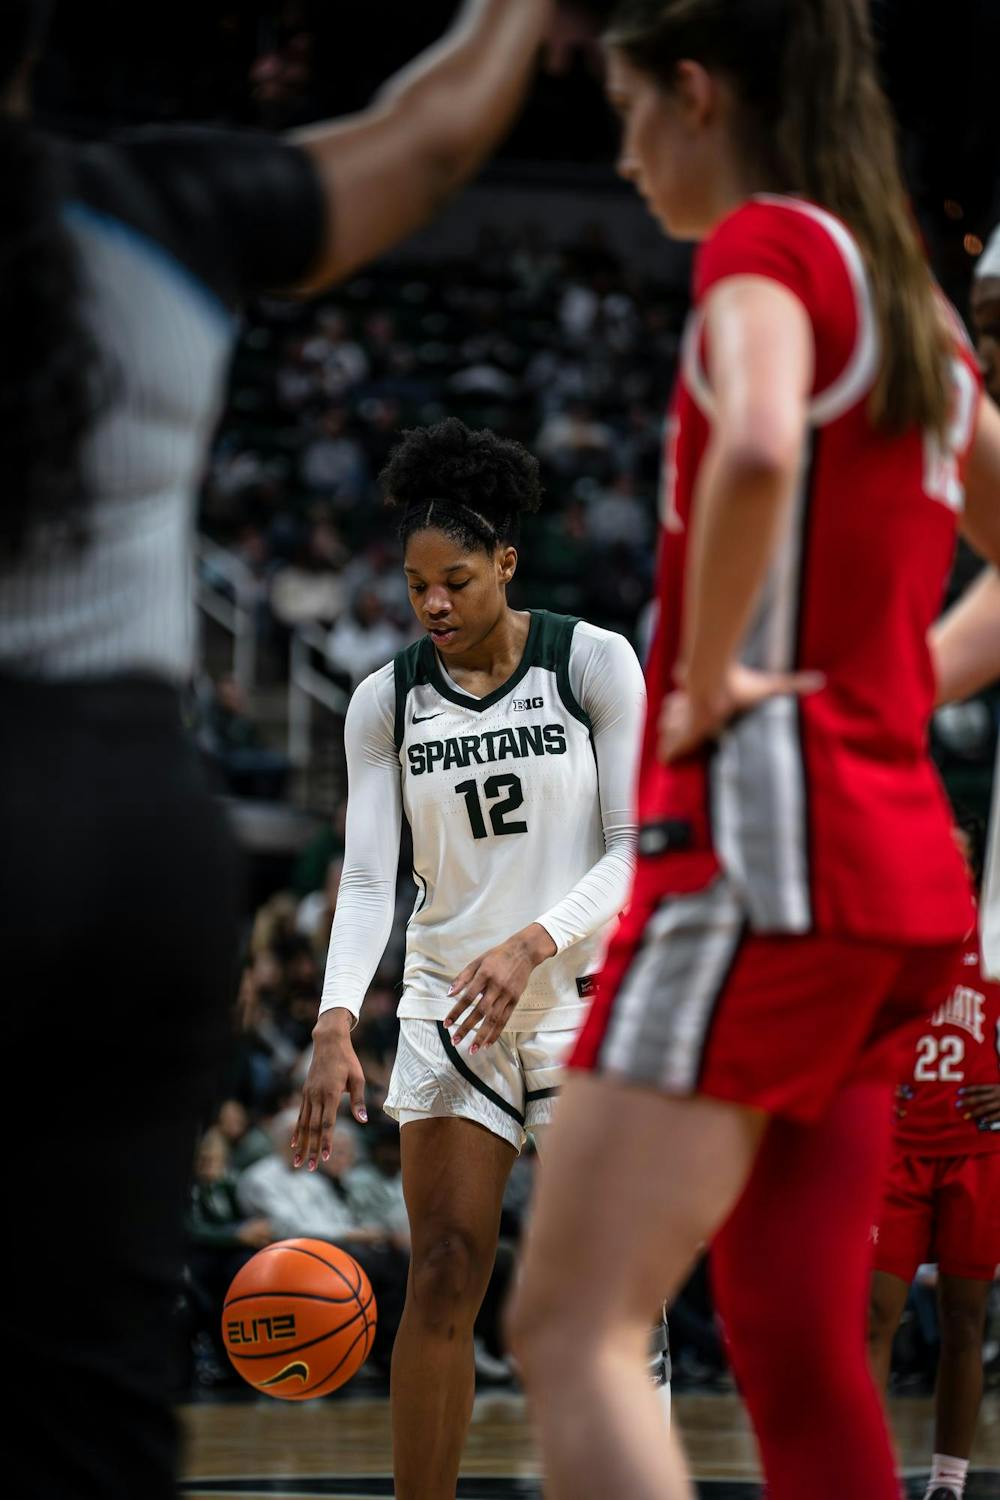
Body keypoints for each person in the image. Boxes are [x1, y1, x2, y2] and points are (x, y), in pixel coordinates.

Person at [0, 3, 593, 1496]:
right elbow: (434, 133)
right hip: (130, 818)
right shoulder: (150, 210)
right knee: (98, 1362)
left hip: (517, 981)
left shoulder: (587, 665)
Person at [506, 4, 1000, 1499]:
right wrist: (888, 683)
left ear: (700, 95)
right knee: (789, 1327)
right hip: (900, 884)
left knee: (573, 1323)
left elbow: (767, 440)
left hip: (759, 868)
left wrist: (711, 671)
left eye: (631, 111)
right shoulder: (906, 292)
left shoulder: (768, 250)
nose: (624, 152)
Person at [291, 417, 649, 1500]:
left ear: (506, 562)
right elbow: (366, 882)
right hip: (452, 1011)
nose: (433, 604)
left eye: (454, 579)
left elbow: (639, 851)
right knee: (443, 1270)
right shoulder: (383, 698)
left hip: (579, 1003)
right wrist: (335, 1018)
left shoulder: (589, 661)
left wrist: (537, 936)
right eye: (414, 587)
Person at [867, 823, 999, 1500]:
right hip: (898, 1151)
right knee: (873, 1313)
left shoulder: (996, 938)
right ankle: (859, 1473)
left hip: (976, 1147)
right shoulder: (893, 934)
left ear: (977, 866)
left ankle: (949, 1479)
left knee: (964, 1318)